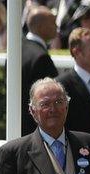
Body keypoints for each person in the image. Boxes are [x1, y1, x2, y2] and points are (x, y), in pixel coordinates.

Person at [22, 6, 60, 136]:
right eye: (53, 23)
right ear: (41, 27)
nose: (57, 27)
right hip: (36, 133)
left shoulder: (16, 50)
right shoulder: (41, 57)